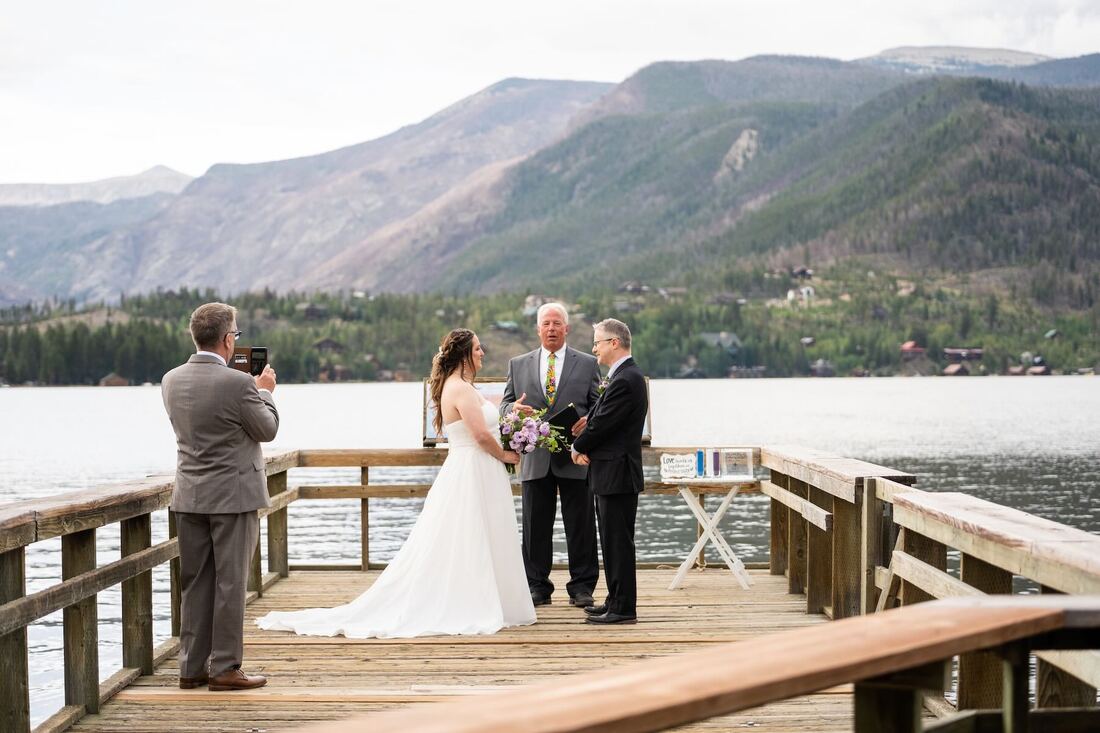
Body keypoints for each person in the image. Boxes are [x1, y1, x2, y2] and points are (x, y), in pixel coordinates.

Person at [257, 328, 536, 638]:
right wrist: (506, 456)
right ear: (464, 355)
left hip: (474, 467)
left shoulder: (458, 386)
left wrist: (511, 418)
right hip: (474, 468)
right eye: (478, 348)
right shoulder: (461, 389)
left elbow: (486, 425)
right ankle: (472, 601)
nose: (483, 353)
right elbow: (481, 435)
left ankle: (491, 598)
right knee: (471, 533)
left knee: (479, 533)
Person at [162, 302, 279, 690]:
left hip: (189, 495)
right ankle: (225, 668)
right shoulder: (240, 384)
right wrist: (265, 393)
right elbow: (267, 430)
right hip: (234, 496)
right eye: (237, 335)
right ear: (229, 340)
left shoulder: (170, 380)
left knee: (195, 582)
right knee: (231, 583)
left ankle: (191, 667)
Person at [500, 302, 601, 608]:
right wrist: (512, 410)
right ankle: (537, 587)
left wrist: (589, 423)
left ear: (567, 328)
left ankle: (582, 587)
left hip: (574, 456)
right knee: (534, 528)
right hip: (535, 459)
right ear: (538, 329)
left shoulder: (586, 363)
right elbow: (504, 406)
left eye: (557, 323)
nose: (552, 329)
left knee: (581, 526)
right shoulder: (518, 364)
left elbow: (598, 406)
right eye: (546, 324)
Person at [571, 318, 647, 625]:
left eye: (597, 343)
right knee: (611, 541)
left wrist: (577, 447)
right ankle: (614, 599)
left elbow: (602, 425)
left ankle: (624, 608)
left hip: (618, 474)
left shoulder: (626, 379)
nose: (594, 349)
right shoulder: (622, 377)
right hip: (609, 472)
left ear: (614, 343)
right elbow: (599, 419)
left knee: (618, 543)